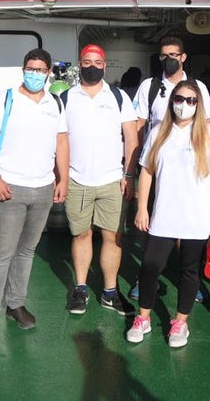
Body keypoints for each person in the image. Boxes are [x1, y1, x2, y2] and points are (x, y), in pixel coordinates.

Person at [0, 48, 69, 344]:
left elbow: (61, 141)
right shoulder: (6, 98)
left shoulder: (55, 103)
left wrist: (62, 178)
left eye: (40, 70)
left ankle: (15, 304)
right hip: (10, 188)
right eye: (30, 68)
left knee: (27, 252)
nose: (35, 74)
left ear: (49, 73)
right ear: (22, 69)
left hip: (42, 189)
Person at [127, 80, 210, 348]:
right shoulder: (158, 133)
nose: (184, 105)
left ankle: (180, 322)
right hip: (164, 214)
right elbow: (147, 171)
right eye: (180, 99)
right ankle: (144, 318)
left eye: (191, 101)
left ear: (199, 106)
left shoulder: (209, 134)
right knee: (150, 266)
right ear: (172, 100)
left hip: (198, 215)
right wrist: (141, 207)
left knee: (189, 270)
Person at [62, 45, 139, 317]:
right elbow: (58, 140)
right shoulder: (65, 97)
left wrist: (129, 175)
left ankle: (109, 291)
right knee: (81, 234)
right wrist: (60, 177)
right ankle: (81, 288)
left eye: (97, 62)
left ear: (105, 66)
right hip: (76, 179)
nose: (92, 66)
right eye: (86, 61)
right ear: (79, 64)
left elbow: (131, 138)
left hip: (112, 181)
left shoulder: (118, 97)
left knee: (113, 236)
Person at [132, 35, 210, 143]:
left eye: (173, 55)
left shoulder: (198, 87)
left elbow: (206, 122)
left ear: (183, 57)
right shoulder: (148, 86)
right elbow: (139, 124)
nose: (168, 59)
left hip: (189, 152)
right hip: (156, 152)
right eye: (164, 56)